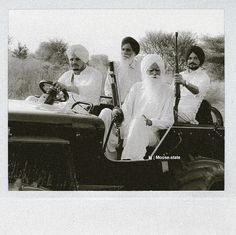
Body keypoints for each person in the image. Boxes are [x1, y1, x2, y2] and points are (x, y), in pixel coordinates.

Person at [100, 54, 174, 160]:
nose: (154, 74)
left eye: (158, 70)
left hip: (150, 132)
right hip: (128, 126)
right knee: (106, 113)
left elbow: (168, 121)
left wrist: (150, 122)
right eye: (151, 70)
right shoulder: (137, 87)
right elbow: (126, 109)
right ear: (145, 71)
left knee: (139, 121)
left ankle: (129, 162)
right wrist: (117, 114)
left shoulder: (167, 90)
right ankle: (108, 156)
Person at [174, 45, 210, 123]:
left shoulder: (204, 77)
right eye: (190, 58)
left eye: (195, 58)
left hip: (188, 114)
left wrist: (184, 82)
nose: (192, 61)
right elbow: (170, 92)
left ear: (200, 60)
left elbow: (198, 91)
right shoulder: (181, 74)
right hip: (174, 108)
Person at [104, 36, 142, 104]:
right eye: (123, 49)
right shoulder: (114, 66)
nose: (124, 52)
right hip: (115, 106)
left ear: (134, 53)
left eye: (128, 50)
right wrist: (112, 100)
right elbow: (108, 87)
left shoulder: (140, 69)